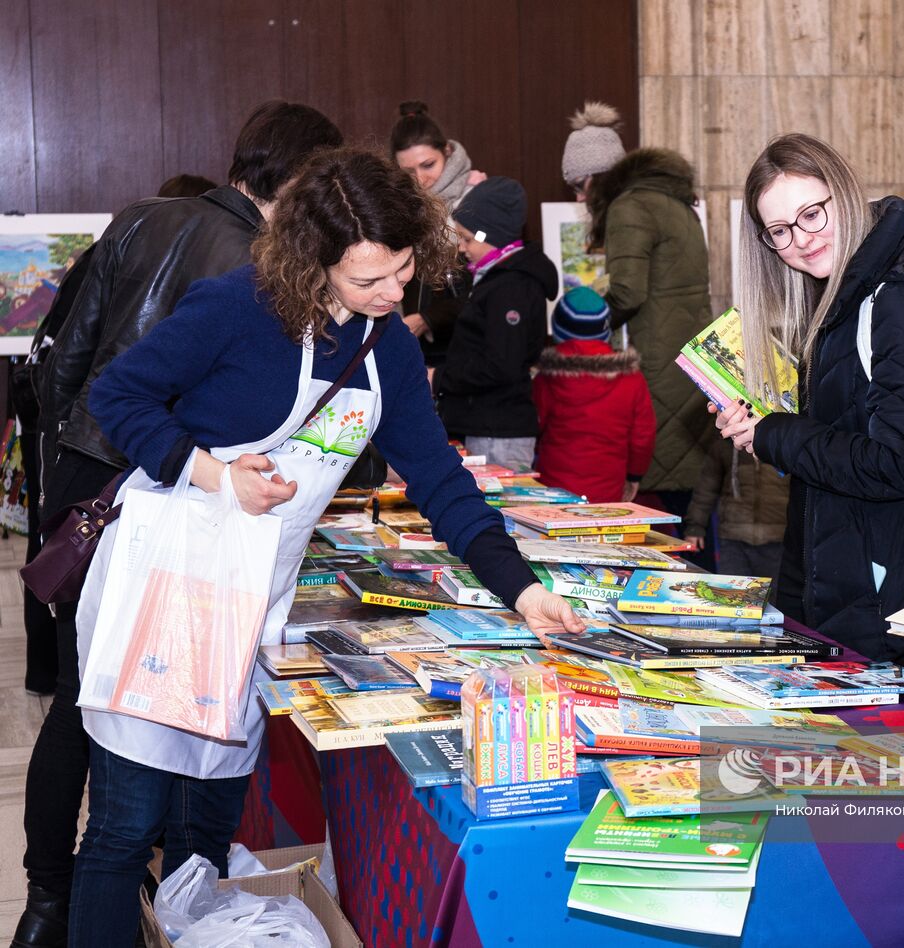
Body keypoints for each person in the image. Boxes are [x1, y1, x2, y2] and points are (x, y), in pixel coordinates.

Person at [66, 147, 584, 945]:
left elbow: (439, 480)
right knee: (124, 830)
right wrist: (210, 472)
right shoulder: (236, 307)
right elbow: (117, 393)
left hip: (255, 602)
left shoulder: (388, 345)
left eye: (402, 271)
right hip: (167, 587)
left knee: (207, 832)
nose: (390, 294)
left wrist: (523, 588)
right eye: (366, 280)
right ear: (312, 263)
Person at [13, 102, 343, 948]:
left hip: (93, 498)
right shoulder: (266, 276)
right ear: (304, 184)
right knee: (143, 744)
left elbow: (62, 360)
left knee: (79, 708)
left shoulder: (143, 217)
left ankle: (48, 907)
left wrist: (66, 487)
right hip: (179, 524)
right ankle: (142, 896)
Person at [711, 133, 904, 706]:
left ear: (845, 195)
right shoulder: (837, 300)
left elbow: (896, 464)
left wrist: (778, 435)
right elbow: (846, 447)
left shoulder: (897, 300)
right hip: (844, 591)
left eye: (812, 214)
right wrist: (764, 433)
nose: (801, 240)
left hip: (892, 606)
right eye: (779, 231)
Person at [15, 172, 218, 701]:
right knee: (81, 616)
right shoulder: (164, 265)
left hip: (81, 442)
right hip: (104, 452)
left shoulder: (114, 252)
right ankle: (57, 680)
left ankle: (54, 678)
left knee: (68, 584)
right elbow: (70, 366)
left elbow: (60, 359)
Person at [573, 102, 715, 529]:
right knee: (690, 499)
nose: (580, 199)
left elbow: (628, 293)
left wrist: (577, 326)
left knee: (659, 513)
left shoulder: (629, 207)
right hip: (689, 359)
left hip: (658, 363)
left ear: (597, 178)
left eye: (579, 187)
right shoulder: (674, 203)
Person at [431, 176, 556, 468]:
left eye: (468, 239)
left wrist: (439, 377)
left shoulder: (512, 287)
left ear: (491, 236)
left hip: (498, 431)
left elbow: (501, 364)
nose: (461, 247)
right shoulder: (494, 278)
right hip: (483, 425)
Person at [532, 286, 655, 502]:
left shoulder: (548, 378)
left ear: (559, 330)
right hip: (608, 491)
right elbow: (642, 437)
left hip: (553, 490)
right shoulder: (632, 378)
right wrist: (634, 476)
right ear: (605, 330)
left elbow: (535, 425)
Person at [390, 101, 485, 365]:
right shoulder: (395, 207)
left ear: (447, 152)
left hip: (469, 346)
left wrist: (428, 319)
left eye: (428, 164)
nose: (420, 179)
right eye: (408, 171)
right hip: (415, 349)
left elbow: (486, 284)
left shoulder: (477, 199)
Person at [682, 439, 789, 578]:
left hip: (777, 538)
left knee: (773, 596)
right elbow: (706, 489)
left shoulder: (786, 443)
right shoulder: (725, 445)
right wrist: (695, 527)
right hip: (733, 537)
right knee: (732, 593)